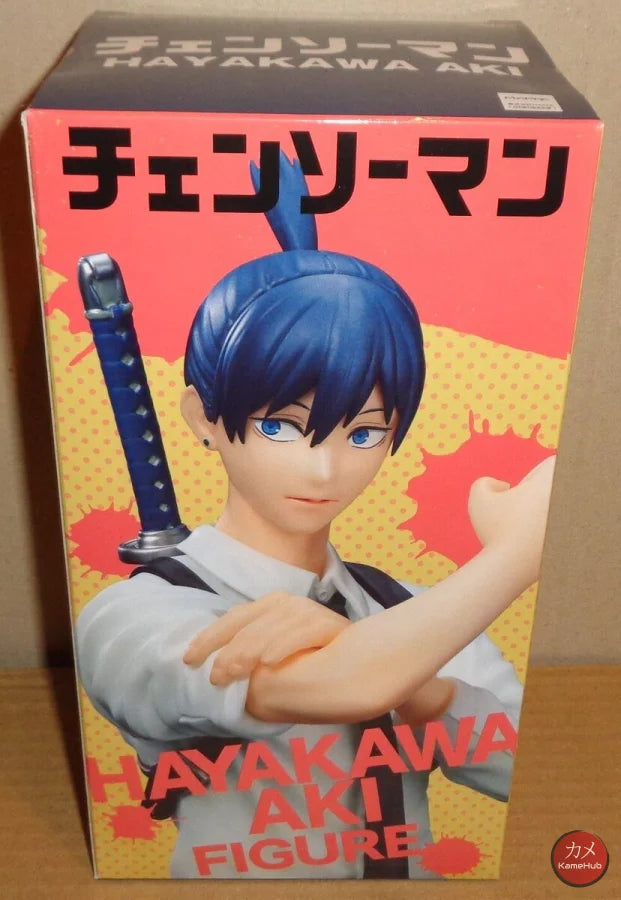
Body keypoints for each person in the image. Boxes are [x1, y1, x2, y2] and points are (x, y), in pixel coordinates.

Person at [76, 155, 554, 879]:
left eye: (363, 433)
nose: (325, 470)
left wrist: (427, 693)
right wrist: (515, 556)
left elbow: (529, 775)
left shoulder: (413, 608)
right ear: (203, 418)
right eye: (281, 427)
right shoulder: (137, 616)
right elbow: (339, 685)